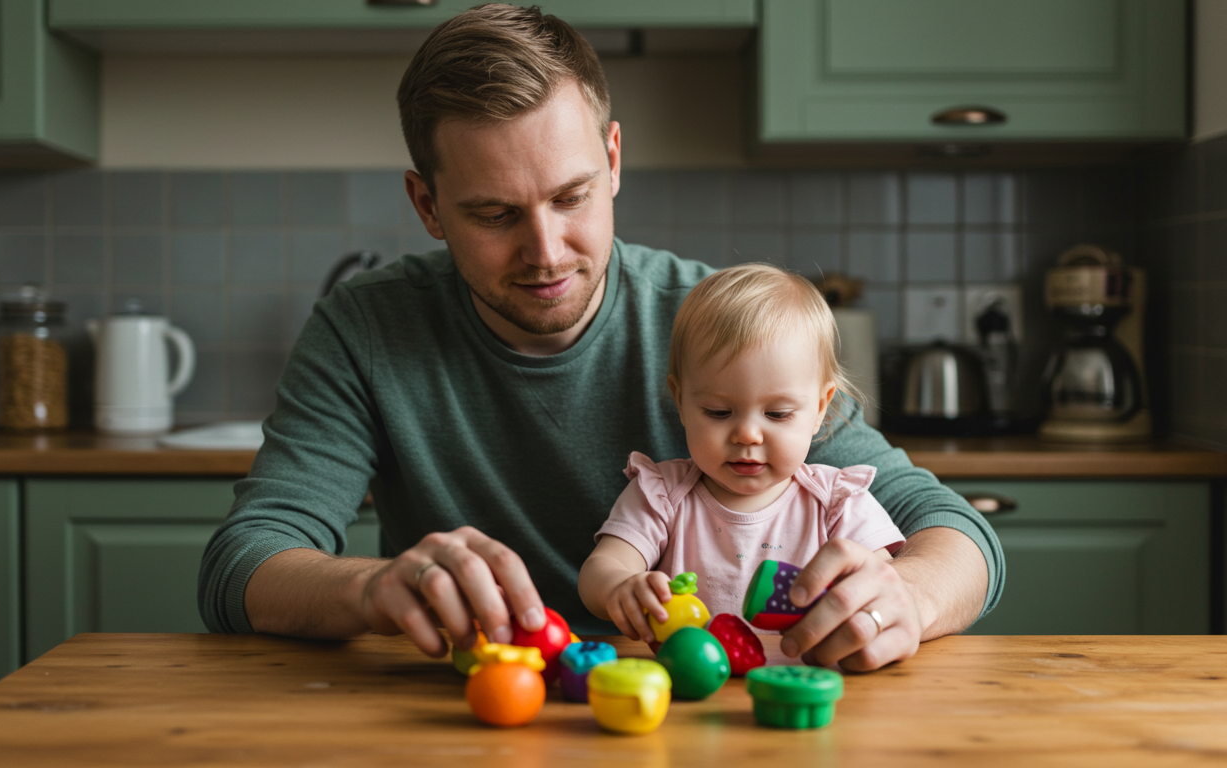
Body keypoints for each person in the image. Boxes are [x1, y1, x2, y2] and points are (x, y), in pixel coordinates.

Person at [198, 3, 1004, 672]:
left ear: (613, 160)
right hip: (468, 720)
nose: (546, 252)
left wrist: (913, 596)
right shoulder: (366, 327)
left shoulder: (715, 323)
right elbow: (246, 563)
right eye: (494, 214)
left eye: (572, 196)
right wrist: (373, 590)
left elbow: (955, 532)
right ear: (427, 206)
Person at [578, 264, 907, 644]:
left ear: (820, 408)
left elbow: (884, 584)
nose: (747, 435)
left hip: (801, 684)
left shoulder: (838, 503)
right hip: (689, 693)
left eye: (777, 414)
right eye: (718, 412)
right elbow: (603, 566)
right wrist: (621, 587)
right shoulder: (661, 495)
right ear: (680, 401)